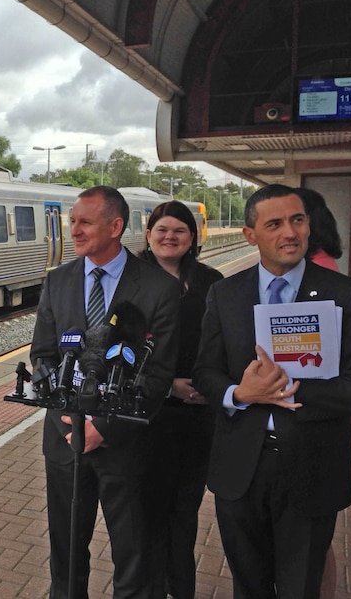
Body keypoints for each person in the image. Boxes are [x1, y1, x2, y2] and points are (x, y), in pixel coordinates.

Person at [193, 184, 351, 598]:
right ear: (250, 235)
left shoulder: (347, 296)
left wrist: (290, 387)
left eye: (298, 220)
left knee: (300, 588)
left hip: (312, 467)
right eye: (274, 224)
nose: (290, 233)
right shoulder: (224, 295)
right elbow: (205, 372)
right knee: (248, 586)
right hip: (240, 470)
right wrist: (239, 393)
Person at [30, 186, 181, 599]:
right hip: (64, 440)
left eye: (84, 222)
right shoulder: (57, 281)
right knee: (66, 549)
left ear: (115, 227)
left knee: (134, 553)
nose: (73, 230)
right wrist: (68, 417)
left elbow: (159, 372)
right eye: (72, 221)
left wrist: (102, 427)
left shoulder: (158, 289)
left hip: (126, 444)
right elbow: (42, 354)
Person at [137, 201, 223, 599]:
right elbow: (117, 349)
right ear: (148, 235)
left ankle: (181, 589)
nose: (170, 237)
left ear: (193, 238)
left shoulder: (212, 282)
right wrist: (169, 384)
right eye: (162, 230)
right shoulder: (131, 281)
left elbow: (224, 341)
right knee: (149, 512)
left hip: (199, 416)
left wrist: (213, 383)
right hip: (146, 414)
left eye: (180, 231)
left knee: (186, 510)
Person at [295, 187, 351, 599]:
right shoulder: (327, 265)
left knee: (312, 543)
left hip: (317, 415)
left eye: (296, 219)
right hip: (329, 410)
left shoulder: (321, 275)